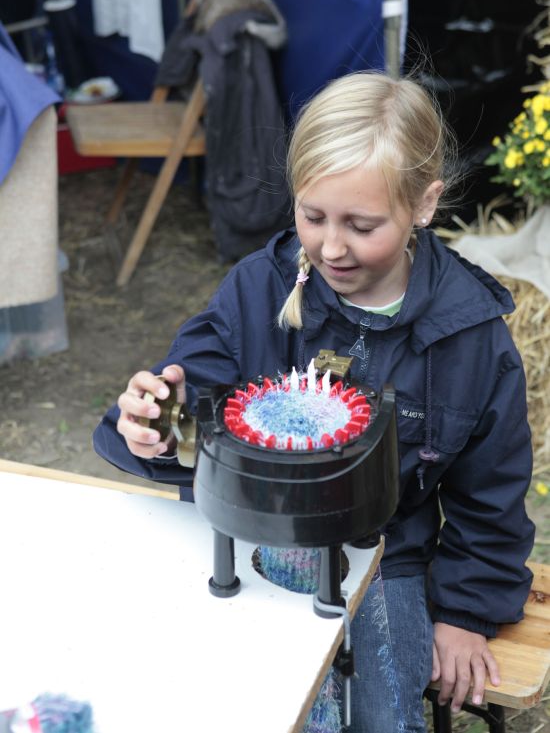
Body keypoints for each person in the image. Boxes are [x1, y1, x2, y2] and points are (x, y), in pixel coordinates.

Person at [94, 71, 535, 732]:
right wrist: (156, 423)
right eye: (313, 216)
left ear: (423, 204)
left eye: (362, 224)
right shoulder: (257, 288)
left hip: (386, 559)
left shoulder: (469, 335)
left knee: (383, 718)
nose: (331, 247)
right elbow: (189, 406)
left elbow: (490, 494)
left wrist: (466, 613)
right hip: (249, 544)